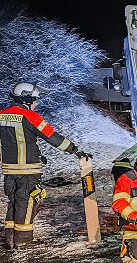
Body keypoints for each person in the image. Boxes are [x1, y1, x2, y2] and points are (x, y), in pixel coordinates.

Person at [0, 83, 90, 249]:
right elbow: (53, 137)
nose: (36, 103)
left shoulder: (2, 115)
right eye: (35, 100)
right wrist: (74, 150)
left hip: (9, 169)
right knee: (27, 202)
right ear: (27, 99)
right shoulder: (30, 117)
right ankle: (23, 240)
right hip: (28, 170)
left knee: (14, 202)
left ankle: (10, 238)